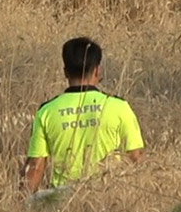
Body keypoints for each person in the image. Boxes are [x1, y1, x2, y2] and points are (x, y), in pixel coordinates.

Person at [21, 37, 145, 192]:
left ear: (65, 72)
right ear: (97, 70)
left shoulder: (46, 111)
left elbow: (35, 167)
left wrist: (21, 205)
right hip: (109, 196)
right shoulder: (119, 107)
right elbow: (136, 158)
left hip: (62, 203)